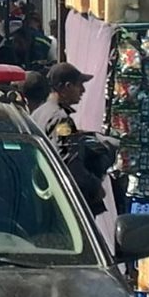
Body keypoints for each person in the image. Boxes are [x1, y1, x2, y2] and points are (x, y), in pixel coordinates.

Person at [32, 63, 109, 215]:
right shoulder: (61, 121)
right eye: (79, 85)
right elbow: (70, 163)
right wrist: (95, 187)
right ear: (66, 87)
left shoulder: (39, 113)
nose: (83, 90)